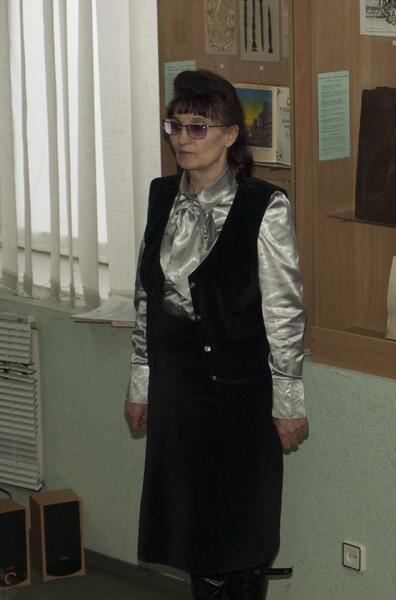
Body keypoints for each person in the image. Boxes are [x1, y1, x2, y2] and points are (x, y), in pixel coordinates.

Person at [124, 69, 308, 600]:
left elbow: (284, 311)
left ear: (230, 135)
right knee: (191, 534)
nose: (183, 138)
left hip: (238, 396)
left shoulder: (264, 206)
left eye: (198, 127)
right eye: (176, 126)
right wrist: (140, 386)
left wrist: (288, 402)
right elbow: (146, 298)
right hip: (178, 391)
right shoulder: (161, 195)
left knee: (239, 537)